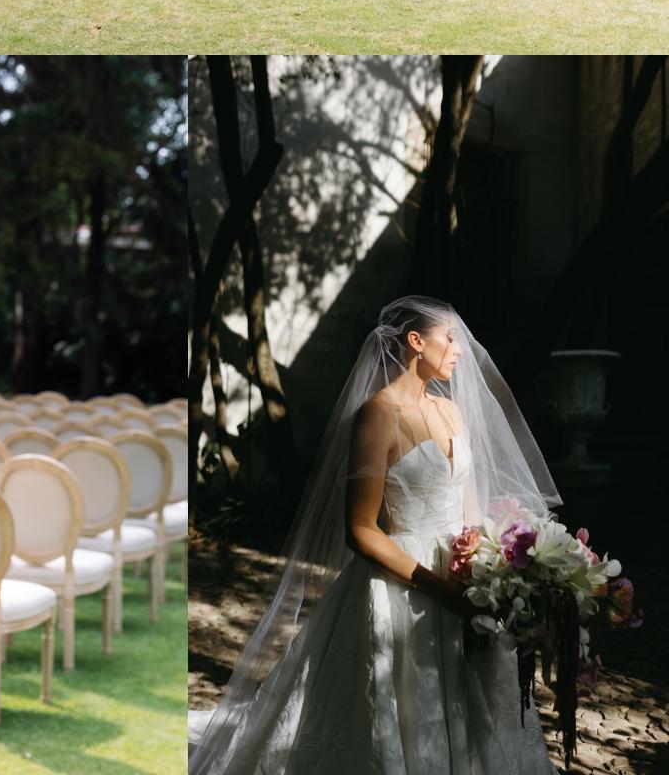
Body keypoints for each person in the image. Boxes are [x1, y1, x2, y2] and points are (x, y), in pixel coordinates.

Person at [189, 296, 563, 774]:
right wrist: (442, 589)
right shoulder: (377, 416)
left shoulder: (451, 411)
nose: (461, 350)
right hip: (403, 585)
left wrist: (493, 571)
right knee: (395, 707)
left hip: (466, 573)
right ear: (415, 341)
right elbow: (360, 530)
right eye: (450, 338)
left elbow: (469, 508)